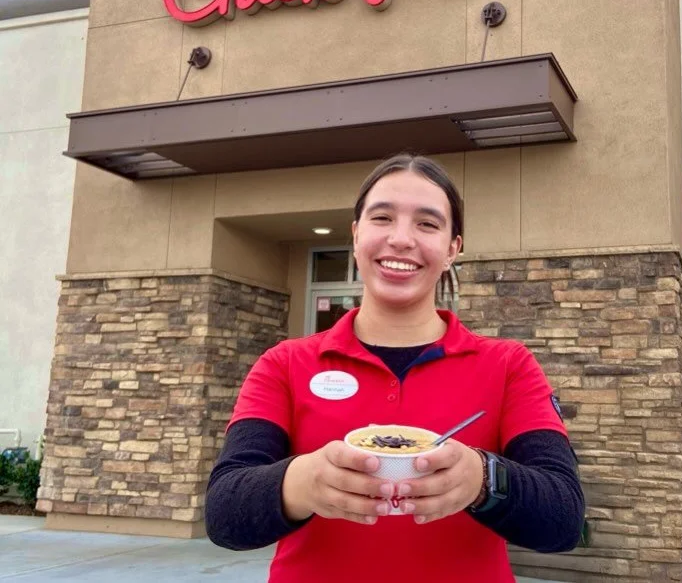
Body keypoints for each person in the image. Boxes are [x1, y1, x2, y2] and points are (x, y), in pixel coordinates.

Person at [205, 154, 585, 582]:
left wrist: (483, 478)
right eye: (382, 217)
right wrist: (303, 482)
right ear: (355, 235)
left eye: (427, 224)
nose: (401, 239)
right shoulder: (283, 364)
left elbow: (564, 517)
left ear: (452, 249)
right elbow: (223, 513)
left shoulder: (509, 366)